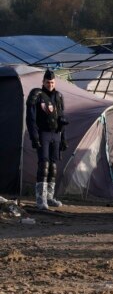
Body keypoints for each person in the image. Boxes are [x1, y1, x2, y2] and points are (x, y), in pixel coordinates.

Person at [26, 69, 68, 210]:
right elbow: (31, 118)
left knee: (53, 166)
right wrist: (34, 136)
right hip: (43, 134)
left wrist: (63, 138)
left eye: (52, 82)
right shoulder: (37, 95)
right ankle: (40, 199)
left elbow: (62, 118)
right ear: (43, 82)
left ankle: (49, 198)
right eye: (48, 82)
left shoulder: (58, 96)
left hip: (55, 134)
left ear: (55, 82)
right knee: (44, 165)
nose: (50, 84)